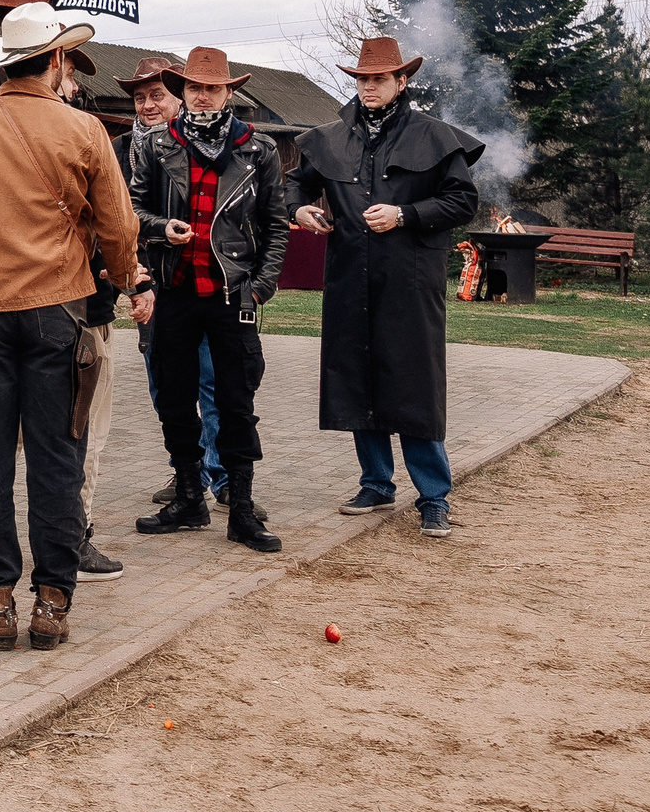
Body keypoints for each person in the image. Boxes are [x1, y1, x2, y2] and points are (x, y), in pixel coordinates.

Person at [0, 2, 143, 651]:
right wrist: (122, 280)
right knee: (57, 457)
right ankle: (53, 603)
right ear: (59, 60)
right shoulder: (85, 130)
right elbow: (121, 227)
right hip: (61, 311)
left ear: (5, 63)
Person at [289, 36, 481, 539]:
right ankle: (376, 482)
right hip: (350, 278)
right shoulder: (329, 138)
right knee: (358, 377)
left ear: (402, 81)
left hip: (411, 282)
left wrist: (406, 214)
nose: (368, 86)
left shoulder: (434, 136)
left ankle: (434, 496)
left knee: (414, 385)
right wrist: (302, 209)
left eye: (378, 78)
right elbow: (292, 185)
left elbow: (463, 202)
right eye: (361, 78)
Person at [132, 46, 289, 553]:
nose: (203, 96)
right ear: (183, 90)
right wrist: (161, 228)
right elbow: (130, 211)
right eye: (195, 88)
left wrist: (261, 284)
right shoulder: (156, 145)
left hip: (231, 293)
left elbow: (275, 225)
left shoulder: (257, 149)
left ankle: (240, 508)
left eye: (213, 88)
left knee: (236, 402)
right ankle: (188, 495)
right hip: (174, 291)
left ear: (229, 92)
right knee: (175, 400)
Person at [114, 57, 227, 509]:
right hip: (146, 281)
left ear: (178, 95)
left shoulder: (199, 145)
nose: (147, 105)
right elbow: (113, 216)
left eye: (157, 95)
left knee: (212, 382)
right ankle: (188, 471)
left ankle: (221, 475)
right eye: (139, 98)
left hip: (199, 282)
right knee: (164, 383)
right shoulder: (117, 149)